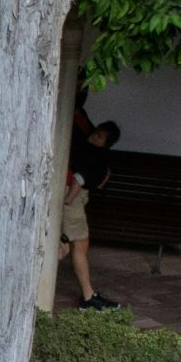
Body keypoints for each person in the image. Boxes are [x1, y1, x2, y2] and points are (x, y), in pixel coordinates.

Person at [59, 112, 122, 310]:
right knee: (67, 245)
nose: (95, 136)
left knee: (72, 243)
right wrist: (68, 200)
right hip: (72, 199)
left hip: (74, 197)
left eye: (100, 137)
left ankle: (88, 295)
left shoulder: (89, 146)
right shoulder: (86, 144)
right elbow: (79, 178)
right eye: (96, 134)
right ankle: (87, 298)